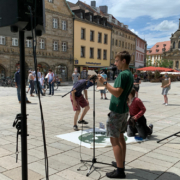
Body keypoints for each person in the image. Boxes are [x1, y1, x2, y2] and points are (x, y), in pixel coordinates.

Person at [98, 51, 133, 178]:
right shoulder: (129, 73)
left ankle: (120, 170)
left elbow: (117, 92)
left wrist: (104, 82)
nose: (115, 63)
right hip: (123, 110)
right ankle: (121, 163)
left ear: (123, 61)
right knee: (121, 137)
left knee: (114, 141)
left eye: (117, 60)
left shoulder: (123, 75)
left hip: (117, 111)